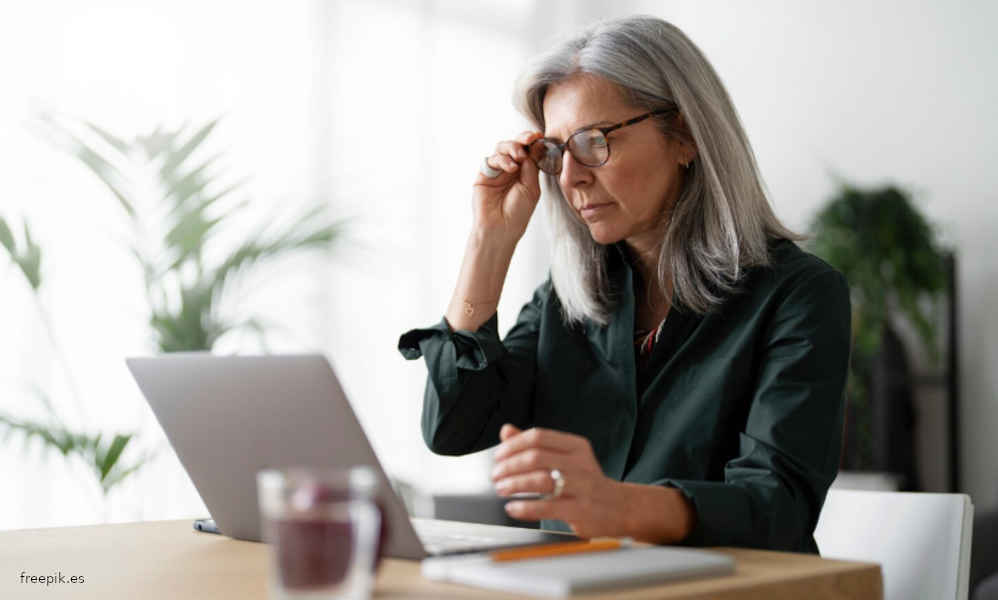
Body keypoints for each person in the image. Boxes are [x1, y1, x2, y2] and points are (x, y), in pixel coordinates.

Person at [398, 15, 851, 553]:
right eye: (556, 153)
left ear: (684, 135)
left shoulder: (798, 296)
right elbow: (452, 429)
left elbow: (779, 505)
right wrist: (488, 243)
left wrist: (618, 506)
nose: (570, 178)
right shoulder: (565, 302)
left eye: (594, 142)